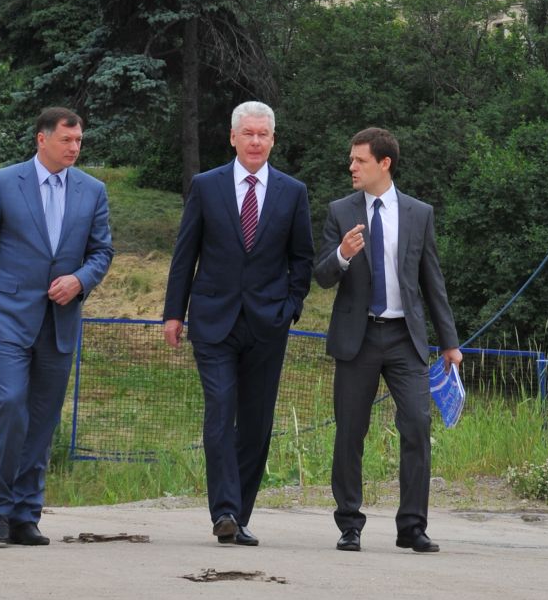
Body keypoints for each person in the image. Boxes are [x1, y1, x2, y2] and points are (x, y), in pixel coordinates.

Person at [0, 107, 113, 545]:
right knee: (10, 404)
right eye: (67, 140)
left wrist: (80, 280)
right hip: (7, 316)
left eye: (79, 141)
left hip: (60, 323)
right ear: (42, 139)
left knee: (43, 419)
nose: (75, 148)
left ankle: (26, 513)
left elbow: (102, 252)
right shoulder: (5, 183)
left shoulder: (93, 190)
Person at [162, 102, 314, 546]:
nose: (255, 142)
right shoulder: (206, 187)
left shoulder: (292, 191)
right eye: (247, 133)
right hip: (213, 322)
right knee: (220, 410)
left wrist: (291, 307)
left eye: (263, 135)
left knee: (255, 423)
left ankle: (239, 516)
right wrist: (175, 312)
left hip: (268, 324)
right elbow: (184, 253)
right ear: (232, 137)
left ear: (273, 139)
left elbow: (301, 258)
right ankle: (223, 510)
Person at [314, 126, 462, 554]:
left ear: (384, 163)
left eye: (359, 160)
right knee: (350, 433)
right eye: (351, 159)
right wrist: (342, 253)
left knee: (417, 425)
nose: (351, 167)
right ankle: (350, 524)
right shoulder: (340, 211)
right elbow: (321, 274)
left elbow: (432, 281)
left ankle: (412, 527)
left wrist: (449, 343)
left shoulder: (419, 213)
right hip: (357, 339)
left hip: (404, 338)